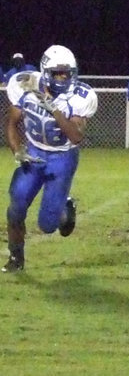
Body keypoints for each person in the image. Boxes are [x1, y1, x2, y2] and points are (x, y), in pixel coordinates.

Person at [4, 46, 96, 272]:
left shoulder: (79, 96)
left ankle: (66, 204)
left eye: (67, 73)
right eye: (58, 73)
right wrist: (18, 150)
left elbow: (75, 136)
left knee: (47, 226)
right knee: (15, 208)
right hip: (34, 154)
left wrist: (53, 109)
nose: (64, 78)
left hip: (62, 158)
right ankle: (16, 259)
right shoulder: (24, 84)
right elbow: (11, 124)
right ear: (45, 72)